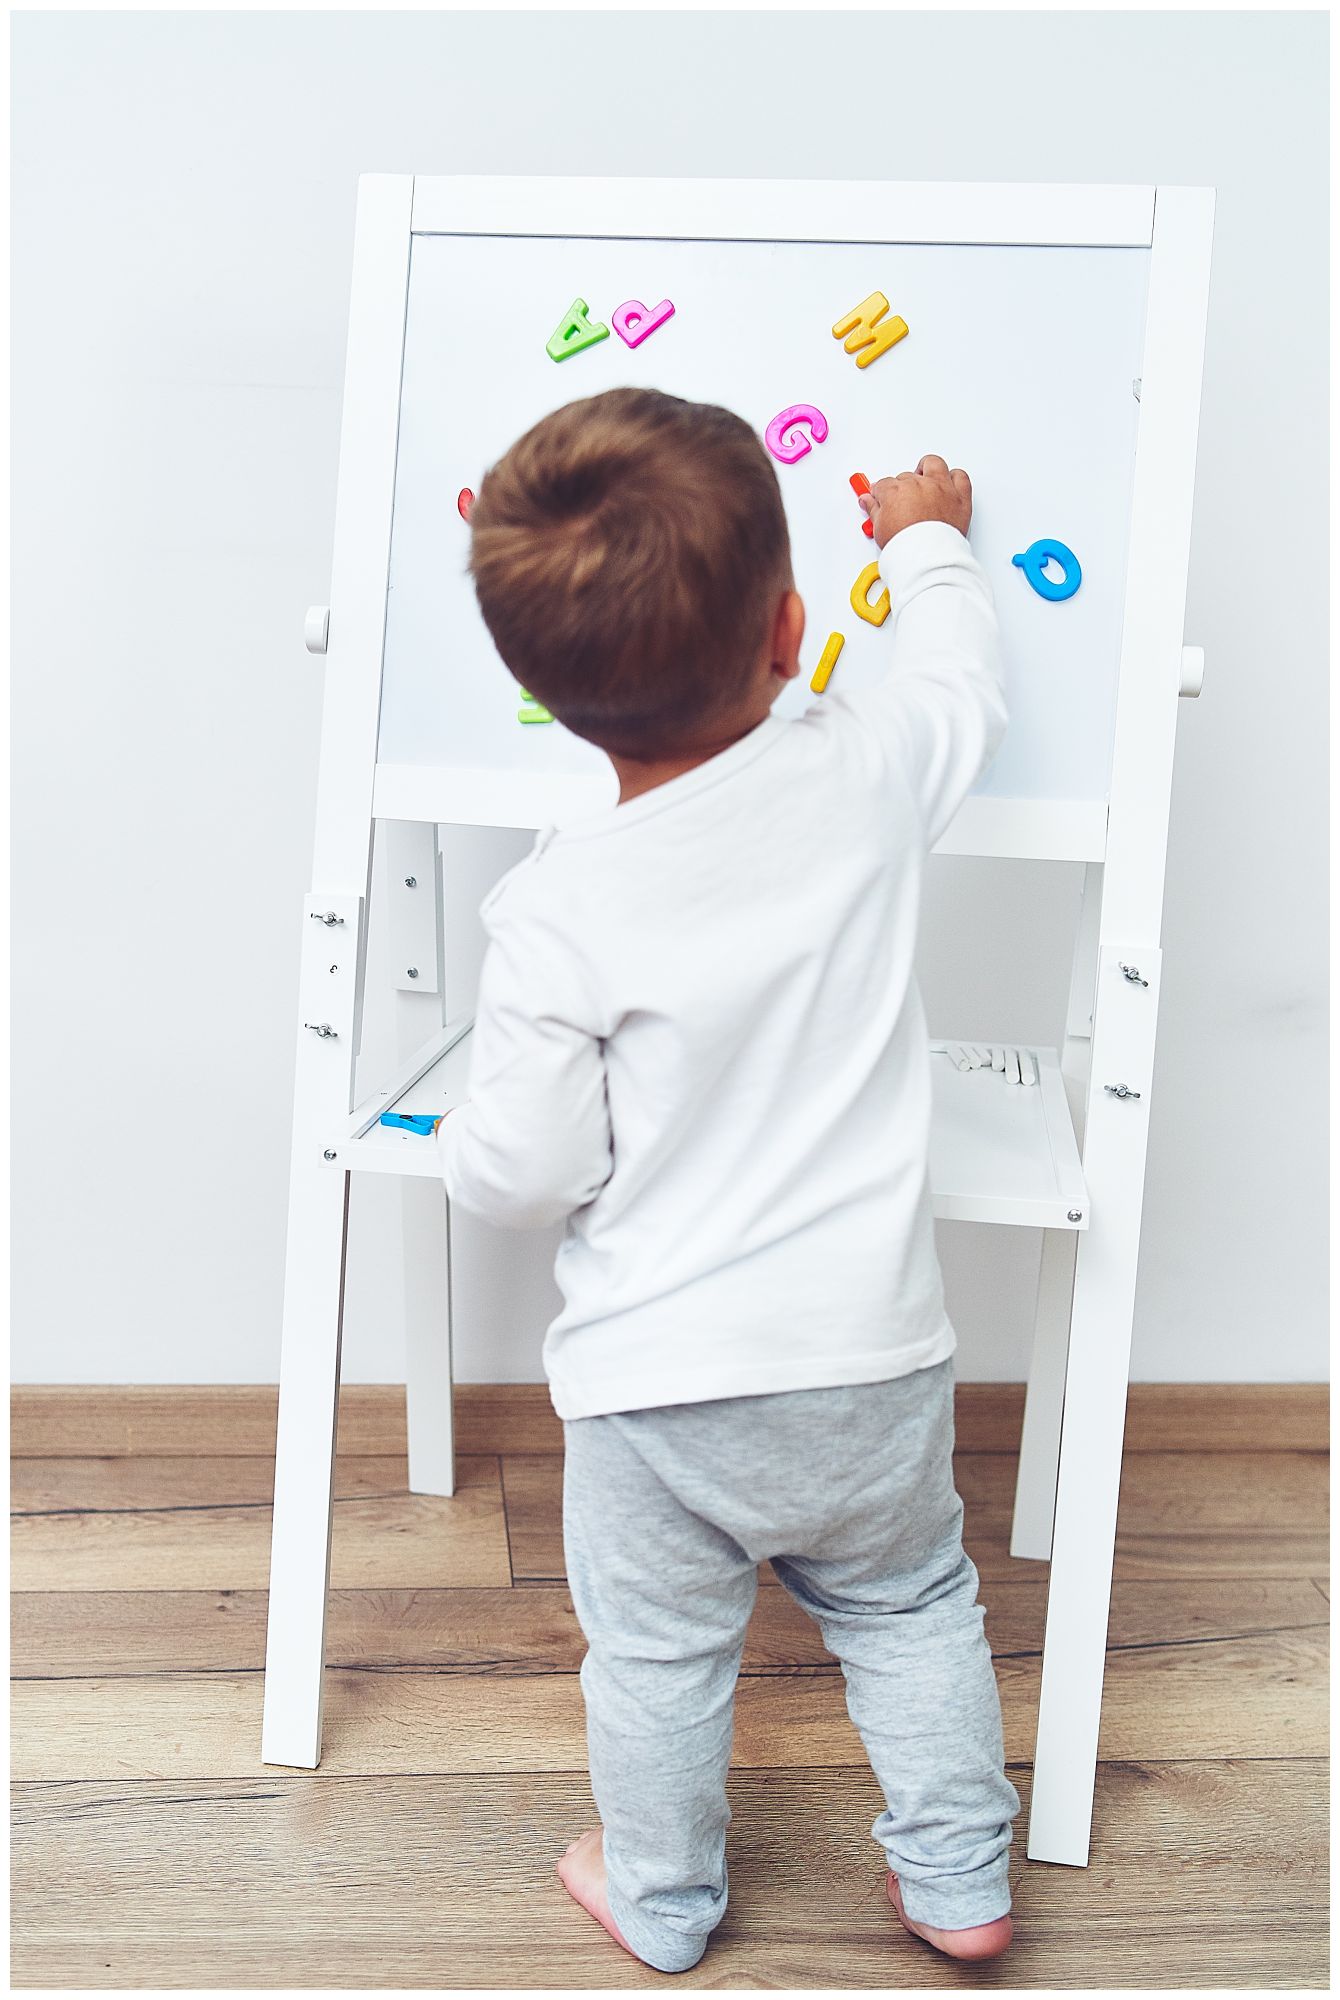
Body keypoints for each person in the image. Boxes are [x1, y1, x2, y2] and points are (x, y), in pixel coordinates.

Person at [437, 386, 1019, 1971]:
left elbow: (519, 1173)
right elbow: (958, 678)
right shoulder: (866, 768)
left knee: (658, 1661)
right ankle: (961, 1883)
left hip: (657, 1390)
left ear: (542, 696)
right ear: (788, 629)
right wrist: (931, 546)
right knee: (909, 1610)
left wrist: (521, 563)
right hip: (871, 1356)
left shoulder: (562, 909)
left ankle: (668, 1900)